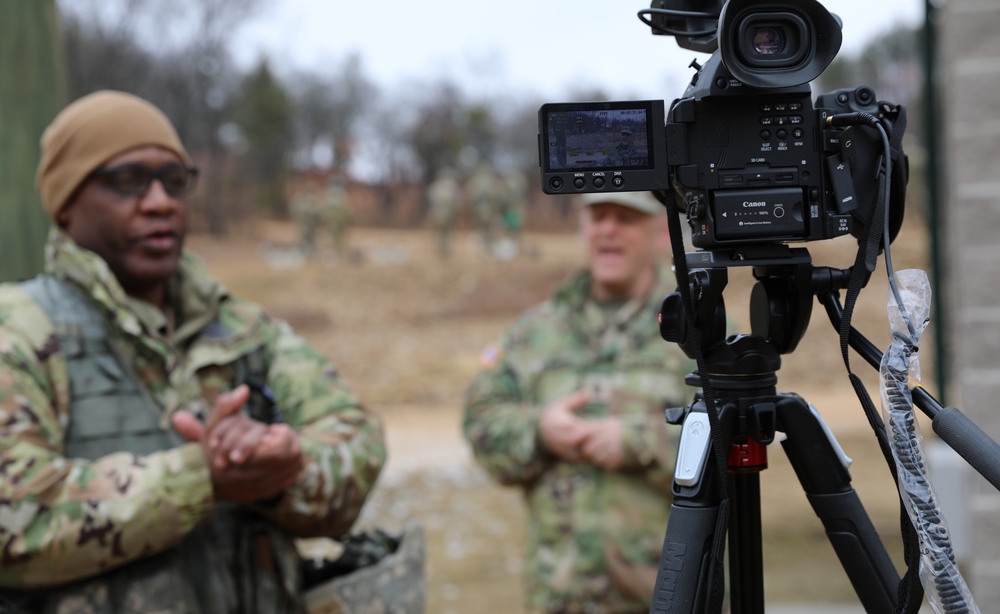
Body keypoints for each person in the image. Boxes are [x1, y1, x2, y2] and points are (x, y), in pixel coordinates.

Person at [0, 90, 387, 613]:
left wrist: (279, 466)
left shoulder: (244, 330)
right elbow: (14, 521)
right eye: (127, 181)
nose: (160, 201)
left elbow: (355, 441)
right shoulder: (18, 331)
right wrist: (198, 478)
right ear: (66, 205)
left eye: (175, 180)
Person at [462, 191, 691, 614]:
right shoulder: (533, 332)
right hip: (558, 598)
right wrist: (539, 430)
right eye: (598, 216)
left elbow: (738, 437)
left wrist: (639, 441)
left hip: (670, 598)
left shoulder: (696, 330)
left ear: (661, 233)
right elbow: (481, 422)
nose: (609, 229)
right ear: (582, 228)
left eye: (625, 218)